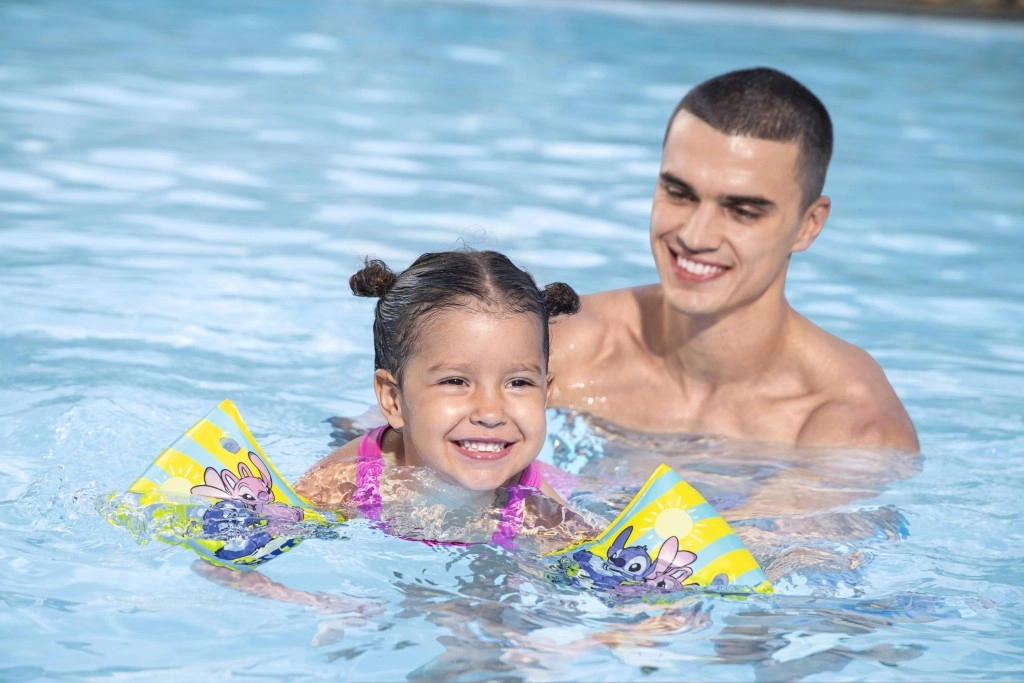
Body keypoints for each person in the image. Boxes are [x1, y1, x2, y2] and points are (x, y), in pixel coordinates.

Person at [548, 67, 919, 452]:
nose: (695, 237)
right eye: (680, 194)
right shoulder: (558, 352)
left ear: (808, 225)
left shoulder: (851, 434)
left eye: (742, 211)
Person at [295, 250, 594, 550]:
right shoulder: (347, 482)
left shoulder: (540, 512)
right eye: (455, 381)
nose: (491, 413)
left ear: (545, 394)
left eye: (519, 382)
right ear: (393, 399)